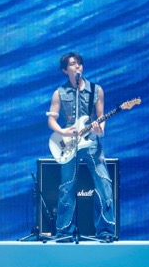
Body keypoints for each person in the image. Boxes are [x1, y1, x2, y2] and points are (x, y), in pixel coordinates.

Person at [48, 52, 116, 241]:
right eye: (72, 64)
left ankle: (106, 230)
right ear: (65, 70)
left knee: (104, 182)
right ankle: (64, 232)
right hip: (69, 144)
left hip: (91, 142)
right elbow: (51, 120)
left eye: (79, 63)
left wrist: (99, 129)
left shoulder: (96, 90)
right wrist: (63, 131)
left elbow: (101, 118)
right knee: (67, 187)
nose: (77, 66)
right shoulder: (59, 93)